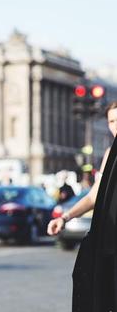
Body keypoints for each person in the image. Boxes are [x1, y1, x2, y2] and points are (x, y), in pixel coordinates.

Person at [48, 101, 117, 236]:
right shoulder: (110, 154)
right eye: (112, 121)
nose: (115, 126)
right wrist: (64, 217)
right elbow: (93, 197)